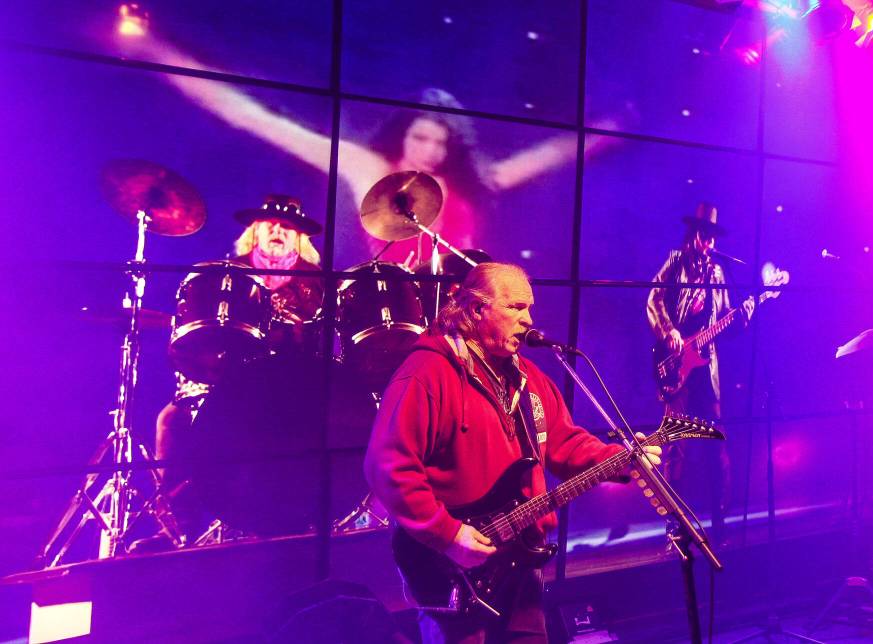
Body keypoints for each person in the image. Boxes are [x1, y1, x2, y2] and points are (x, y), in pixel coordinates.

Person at [118, 30, 625, 267]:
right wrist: (156, 52)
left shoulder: (471, 181)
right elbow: (252, 117)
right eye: (420, 136)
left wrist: (609, 131)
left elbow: (549, 157)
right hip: (388, 311)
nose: (429, 149)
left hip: (458, 314)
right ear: (404, 135)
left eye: (440, 142)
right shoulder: (369, 167)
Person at [365, 262, 661, 643]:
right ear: (476, 310)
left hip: (521, 560)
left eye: (530, 308)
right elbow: (388, 466)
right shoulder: (427, 373)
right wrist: (448, 534)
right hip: (452, 569)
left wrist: (619, 458)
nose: (528, 319)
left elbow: (563, 442)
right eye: (516, 307)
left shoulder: (528, 378)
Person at [153, 195, 324, 539]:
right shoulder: (228, 272)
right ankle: (178, 526)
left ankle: (292, 517)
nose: (278, 230)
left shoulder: (318, 281)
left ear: (299, 237)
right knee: (170, 420)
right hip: (230, 379)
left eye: (287, 227)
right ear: (255, 232)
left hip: (289, 384)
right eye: (269, 224)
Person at [646, 202, 754, 542]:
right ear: (692, 235)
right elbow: (653, 299)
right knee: (675, 444)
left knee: (715, 443)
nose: (707, 243)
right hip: (678, 366)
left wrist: (744, 315)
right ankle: (673, 523)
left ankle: (719, 519)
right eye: (702, 235)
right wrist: (669, 331)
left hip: (707, 368)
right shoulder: (675, 263)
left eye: (712, 237)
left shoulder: (718, 273)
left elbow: (724, 323)